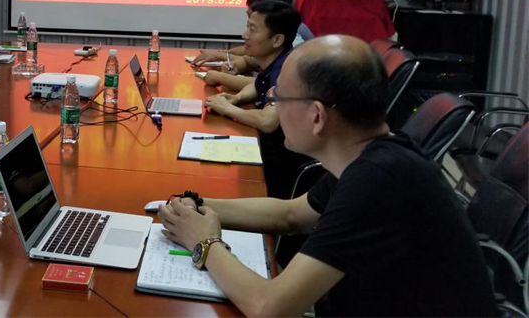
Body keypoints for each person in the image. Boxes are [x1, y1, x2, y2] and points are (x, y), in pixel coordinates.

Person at [158, 35, 497, 318]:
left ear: (317, 116)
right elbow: (290, 215)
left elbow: (268, 307)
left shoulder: (380, 181)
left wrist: (205, 242)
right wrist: (195, 207)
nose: (272, 105)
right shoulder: (370, 154)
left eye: (278, 98)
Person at [204, 0, 313, 200]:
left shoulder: (289, 68)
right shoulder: (278, 60)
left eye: (253, 30)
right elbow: (257, 85)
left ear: (277, 40)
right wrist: (236, 98)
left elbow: (268, 121)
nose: (244, 35)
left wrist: (228, 108)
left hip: (285, 168)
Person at [193, 0, 313, 92]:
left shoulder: (294, 45)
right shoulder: (274, 39)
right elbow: (249, 61)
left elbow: (266, 85)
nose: (245, 35)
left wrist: (221, 77)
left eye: (253, 27)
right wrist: (232, 62)